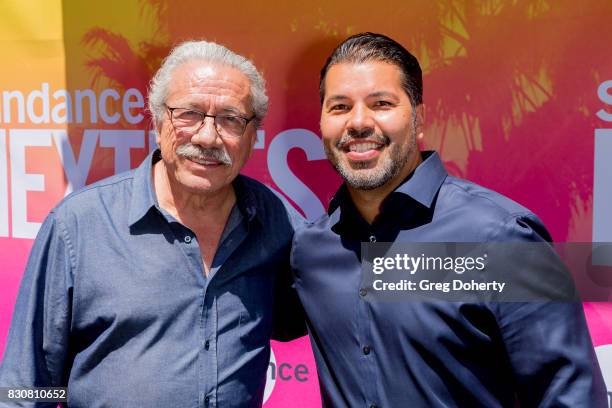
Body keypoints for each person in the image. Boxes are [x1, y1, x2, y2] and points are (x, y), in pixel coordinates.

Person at [291, 32, 607, 407]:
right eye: (339, 107)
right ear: (322, 123)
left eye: (381, 103)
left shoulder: (500, 237)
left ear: (419, 117)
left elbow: (569, 396)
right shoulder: (309, 251)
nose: (358, 122)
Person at [0, 40, 304, 407]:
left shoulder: (277, 223)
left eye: (230, 119)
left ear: (252, 136)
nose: (208, 137)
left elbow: (347, 293)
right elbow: (25, 387)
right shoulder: (78, 227)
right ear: (159, 123)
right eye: (189, 114)